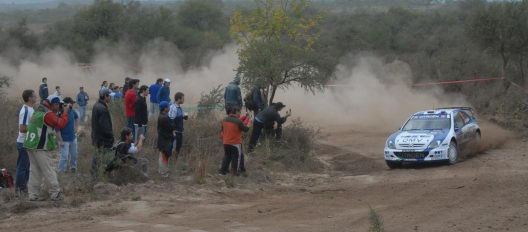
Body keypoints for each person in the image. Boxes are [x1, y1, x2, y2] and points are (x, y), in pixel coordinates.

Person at [24, 97, 69, 201]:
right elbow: (61, 124)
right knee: (48, 169)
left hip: (30, 145)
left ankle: (33, 195)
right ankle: (55, 193)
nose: (59, 106)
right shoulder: (47, 114)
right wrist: (65, 113)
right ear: (52, 104)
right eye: (57, 104)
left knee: (35, 171)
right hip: (39, 147)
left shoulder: (38, 112)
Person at [15, 90, 36, 196]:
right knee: (22, 167)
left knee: (27, 167)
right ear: (29, 98)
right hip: (23, 143)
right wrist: (34, 128)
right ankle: (19, 189)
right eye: (34, 96)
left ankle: (24, 188)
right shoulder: (26, 110)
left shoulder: (31, 109)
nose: (36, 97)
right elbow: (22, 128)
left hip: (28, 143)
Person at [219, 107, 250, 176]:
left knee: (227, 157)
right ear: (236, 112)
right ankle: (234, 173)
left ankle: (222, 172)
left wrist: (245, 118)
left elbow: (223, 130)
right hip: (235, 143)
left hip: (226, 142)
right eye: (239, 112)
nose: (240, 114)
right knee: (236, 158)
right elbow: (246, 129)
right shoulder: (238, 121)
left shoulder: (224, 120)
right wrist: (248, 122)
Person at [91, 90, 114, 178]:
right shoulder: (102, 109)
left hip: (97, 137)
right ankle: (106, 176)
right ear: (105, 96)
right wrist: (110, 136)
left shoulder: (97, 105)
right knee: (107, 158)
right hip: (104, 139)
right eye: (109, 96)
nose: (110, 98)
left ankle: (94, 175)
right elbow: (105, 127)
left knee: (97, 156)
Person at [57, 97, 79, 173]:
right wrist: (60, 140)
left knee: (74, 155)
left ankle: (73, 168)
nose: (72, 105)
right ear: (65, 104)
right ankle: (60, 172)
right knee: (65, 157)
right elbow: (57, 129)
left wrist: (76, 127)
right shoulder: (60, 114)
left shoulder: (73, 112)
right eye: (71, 103)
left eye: (72, 103)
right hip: (64, 139)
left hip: (73, 138)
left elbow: (76, 118)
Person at [157, 101, 173, 178]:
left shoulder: (162, 116)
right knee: (164, 156)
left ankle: (162, 171)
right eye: (168, 106)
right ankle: (163, 173)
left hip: (163, 139)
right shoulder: (164, 118)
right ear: (165, 108)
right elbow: (171, 128)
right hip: (164, 140)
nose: (169, 108)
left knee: (163, 156)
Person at [169, 92, 188, 157]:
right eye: (183, 98)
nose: (184, 100)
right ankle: (171, 163)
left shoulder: (179, 107)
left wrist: (184, 117)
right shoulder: (173, 107)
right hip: (175, 132)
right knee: (173, 149)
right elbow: (171, 120)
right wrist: (173, 131)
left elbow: (179, 116)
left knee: (178, 148)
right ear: (178, 99)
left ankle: (175, 163)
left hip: (180, 131)